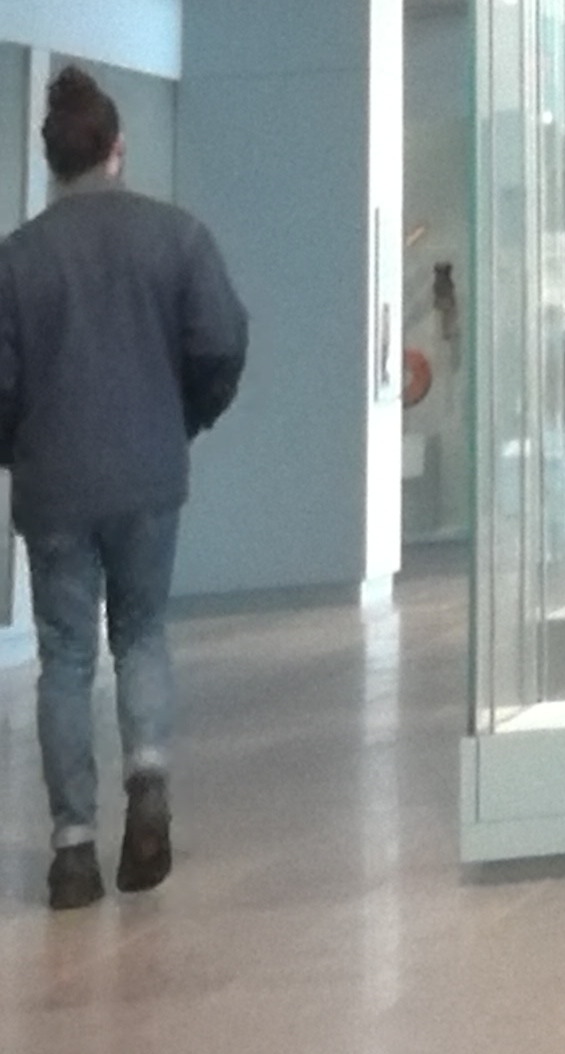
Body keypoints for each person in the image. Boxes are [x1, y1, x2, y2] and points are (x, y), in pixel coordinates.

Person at [0, 63, 250, 907]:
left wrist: (19, 448)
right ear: (117, 147)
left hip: (54, 486)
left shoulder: (16, 262)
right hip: (148, 472)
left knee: (65, 656)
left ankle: (73, 849)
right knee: (140, 632)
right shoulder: (177, 238)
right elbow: (221, 343)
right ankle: (147, 782)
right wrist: (183, 417)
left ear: (52, 161)